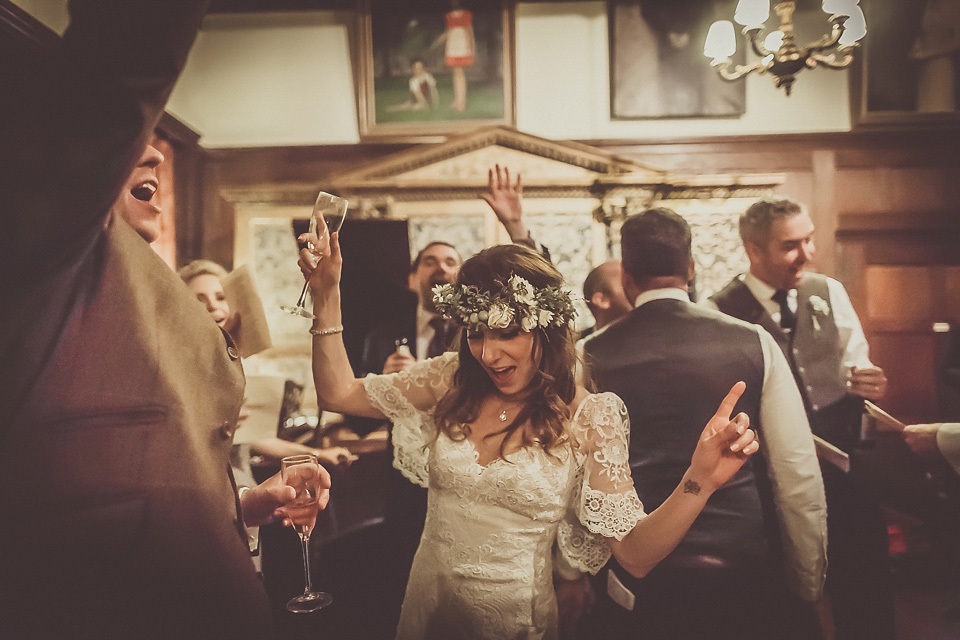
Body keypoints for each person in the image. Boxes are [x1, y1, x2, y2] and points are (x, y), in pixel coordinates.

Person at [0, 3, 329, 638]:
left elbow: (150, 464)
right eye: (132, 147)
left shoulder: (136, 278)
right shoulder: (48, 249)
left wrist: (244, 506)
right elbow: (121, 70)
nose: (154, 155)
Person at [298, 220, 762, 638]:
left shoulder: (589, 417)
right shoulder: (449, 380)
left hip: (516, 623)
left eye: (506, 333)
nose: (488, 354)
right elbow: (339, 393)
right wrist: (326, 294)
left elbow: (635, 555)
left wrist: (700, 480)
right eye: (476, 333)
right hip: (428, 610)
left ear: (547, 327)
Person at [581, 207, 827, 640]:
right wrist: (807, 583)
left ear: (627, 278)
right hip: (742, 568)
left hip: (638, 571)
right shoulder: (755, 341)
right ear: (691, 269)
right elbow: (796, 473)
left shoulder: (587, 355)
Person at [708, 196, 894, 640]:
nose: (807, 254)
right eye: (791, 245)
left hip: (845, 467)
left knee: (864, 576)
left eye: (808, 240)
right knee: (785, 592)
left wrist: (870, 383)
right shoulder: (720, 310)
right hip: (770, 479)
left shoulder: (827, 291)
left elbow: (856, 364)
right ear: (754, 251)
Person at [178, 259, 356, 468]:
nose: (213, 306)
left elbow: (255, 437)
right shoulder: (177, 365)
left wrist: (316, 454)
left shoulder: (247, 363)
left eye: (220, 297)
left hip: (240, 475)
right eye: (199, 300)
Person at [579, 260, 632, 340]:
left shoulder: (652, 336)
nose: (638, 288)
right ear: (601, 300)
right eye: (627, 283)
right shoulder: (577, 348)